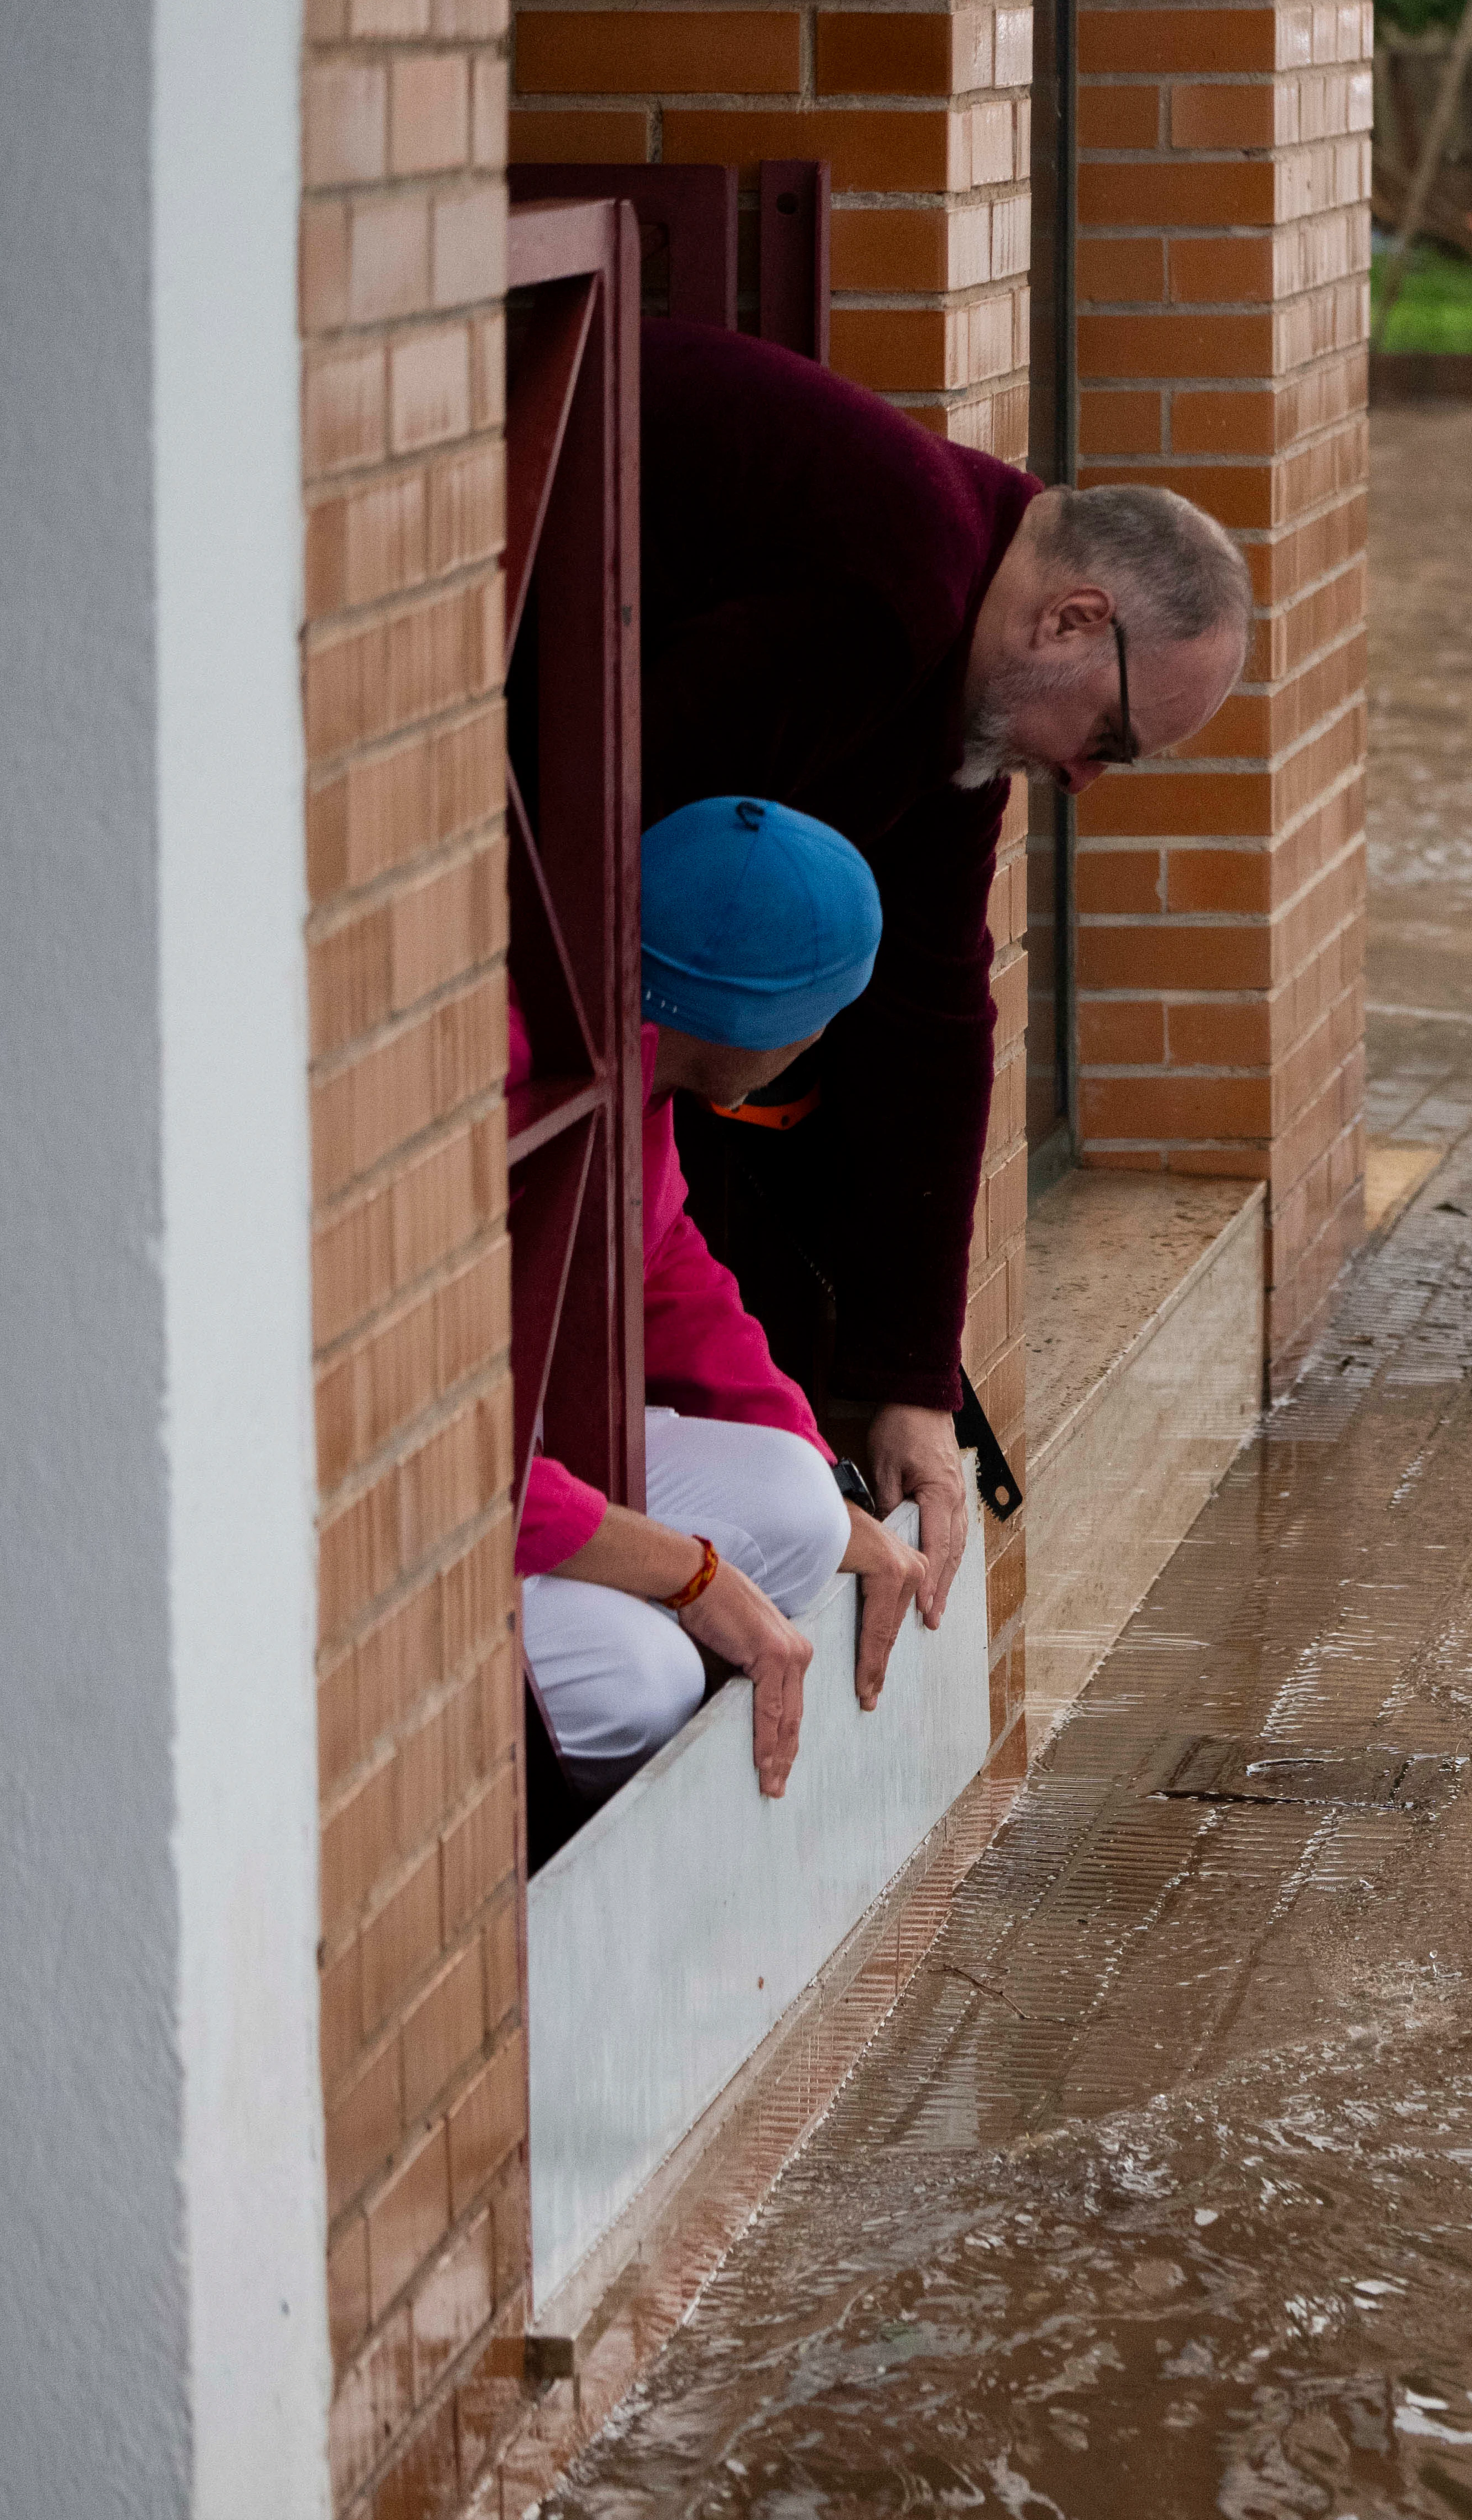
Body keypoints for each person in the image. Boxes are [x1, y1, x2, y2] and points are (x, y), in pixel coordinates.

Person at [635, 320, 1257, 1626]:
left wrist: (910, 1379)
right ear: (1076, 618)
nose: (1086, 778)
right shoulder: (894, 588)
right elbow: (608, 819)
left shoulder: (963, 644)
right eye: (1113, 740)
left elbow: (932, 1010)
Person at [518, 797, 930, 1805]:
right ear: (765, 1020)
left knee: (798, 1510)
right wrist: (692, 1578)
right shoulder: (528, 1083)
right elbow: (439, 1458)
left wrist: (833, 1491)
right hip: (421, 1511)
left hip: (521, 1470)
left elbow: (665, 1264)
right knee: (637, 1677)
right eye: (823, 1014)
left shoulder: (635, 1060)